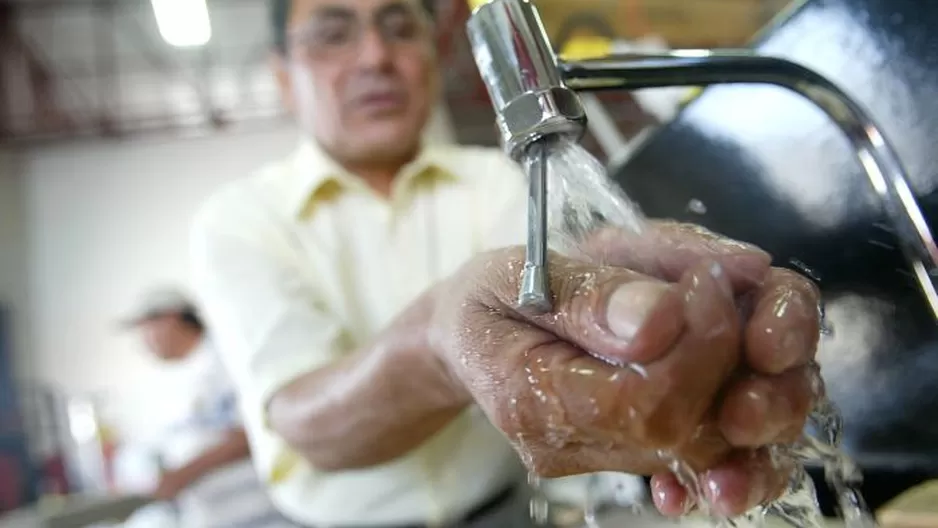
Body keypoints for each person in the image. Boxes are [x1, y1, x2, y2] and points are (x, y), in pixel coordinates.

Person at [189, 0, 822, 526]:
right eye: (334, 34)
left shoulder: (496, 180)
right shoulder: (241, 221)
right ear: (282, 75)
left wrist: (664, 316)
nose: (376, 57)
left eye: (401, 27)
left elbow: (564, 283)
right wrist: (439, 342)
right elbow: (303, 421)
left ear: (434, 60)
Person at [122, 288, 297, 527]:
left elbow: (258, 428)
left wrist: (184, 474)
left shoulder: (228, 355)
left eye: (146, 328)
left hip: (260, 510)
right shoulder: (175, 379)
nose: (143, 340)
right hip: (213, 514)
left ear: (170, 318)